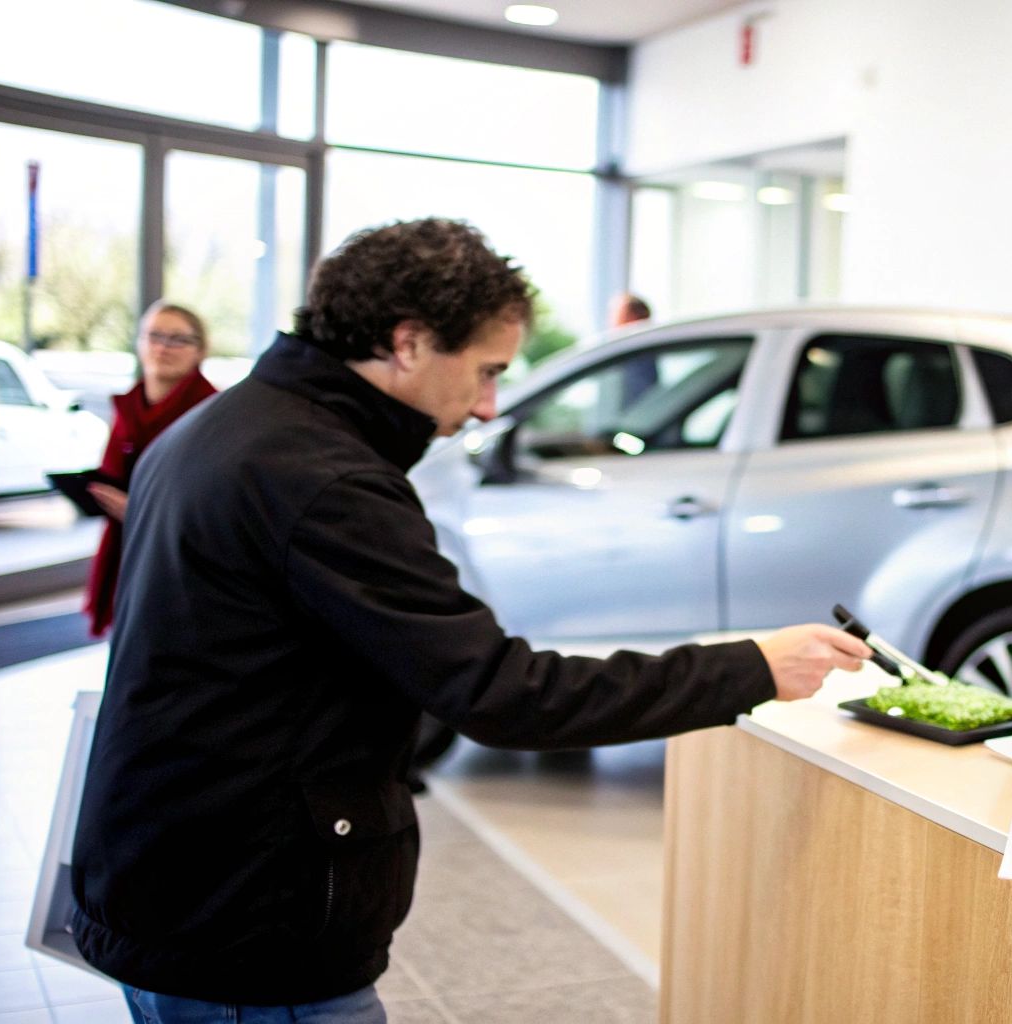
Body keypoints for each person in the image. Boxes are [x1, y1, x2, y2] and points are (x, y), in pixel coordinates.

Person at [68, 218, 871, 1021]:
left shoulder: (229, 425)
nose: (490, 407)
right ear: (410, 343)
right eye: (486, 372)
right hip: (244, 925)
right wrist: (751, 666)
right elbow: (503, 693)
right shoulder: (323, 478)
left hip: (171, 877)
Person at [82, 300, 218, 636]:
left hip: (179, 556)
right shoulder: (129, 404)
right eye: (154, 336)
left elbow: (210, 502)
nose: (162, 347)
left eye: (177, 339)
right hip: (125, 541)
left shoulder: (212, 411)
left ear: (200, 351)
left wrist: (141, 511)